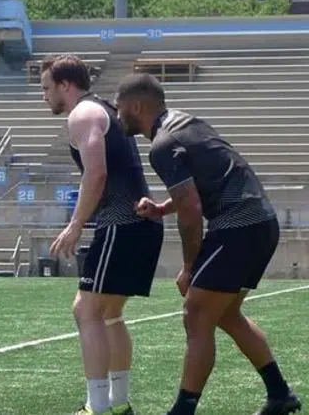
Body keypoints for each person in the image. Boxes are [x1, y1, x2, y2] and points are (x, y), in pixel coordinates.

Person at [114, 73, 302, 415]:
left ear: (136, 106)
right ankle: (279, 393)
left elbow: (191, 210)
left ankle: (183, 410)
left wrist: (190, 266)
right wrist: (161, 208)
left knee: (196, 314)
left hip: (238, 228)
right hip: (261, 223)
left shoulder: (162, 144)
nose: (117, 115)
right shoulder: (186, 123)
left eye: (119, 107)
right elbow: (203, 184)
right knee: (226, 314)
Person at [41, 55, 164, 415]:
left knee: (86, 310)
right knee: (109, 313)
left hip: (122, 224)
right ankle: (119, 403)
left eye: (47, 88)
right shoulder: (104, 109)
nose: (44, 96)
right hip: (142, 224)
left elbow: (96, 174)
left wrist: (75, 224)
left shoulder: (83, 114)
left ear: (66, 85)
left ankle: (96, 406)